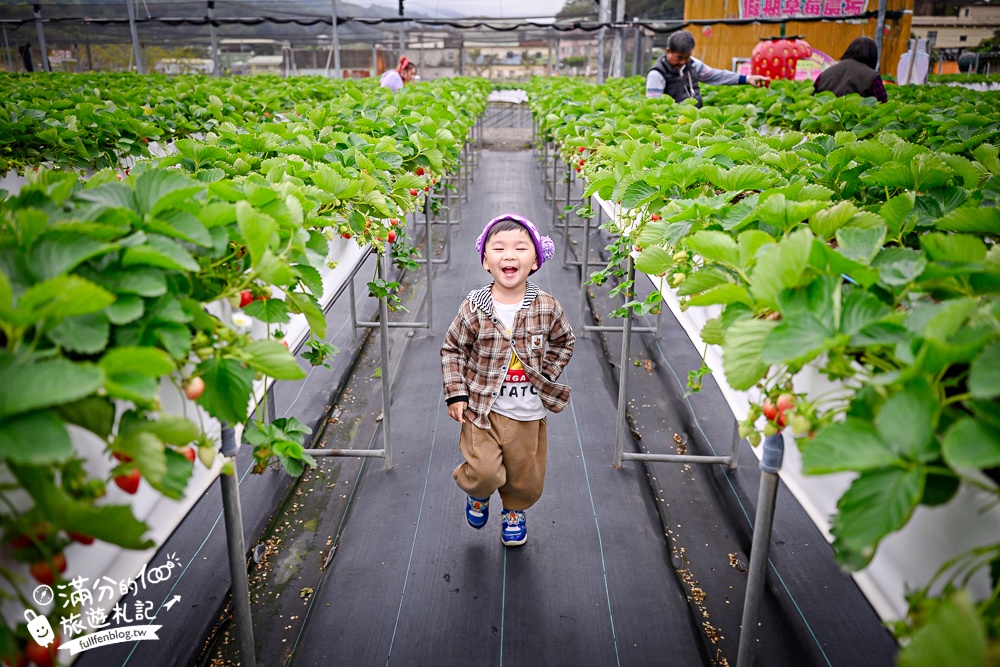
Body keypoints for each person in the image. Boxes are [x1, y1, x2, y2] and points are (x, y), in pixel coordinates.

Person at [441, 214, 575, 547]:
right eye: (498, 248)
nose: (509, 255)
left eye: (520, 248)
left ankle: (513, 511)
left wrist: (547, 375)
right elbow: (453, 348)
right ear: (486, 261)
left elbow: (564, 340)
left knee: (524, 475)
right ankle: (478, 492)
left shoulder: (546, 306)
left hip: (527, 412)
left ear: (535, 261)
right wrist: (457, 394)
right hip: (482, 410)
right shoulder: (475, 307)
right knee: (484, 471)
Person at [646, 30, 769, 106]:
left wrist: (747, 79)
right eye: (679, 57)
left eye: (687, 57)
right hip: (671, 128)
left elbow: (717, 76)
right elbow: (655, 108)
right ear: (668, 51)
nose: (683, 62)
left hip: (694, 123)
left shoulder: (693, 64)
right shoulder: (657, 74)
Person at [812, 36, 888, 103]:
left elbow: (813, 97)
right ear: (873, 56)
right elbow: (883, 103)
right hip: (856, 118)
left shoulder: (825, 73)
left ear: (849, 50)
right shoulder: (872, 76)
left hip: (825, 117)